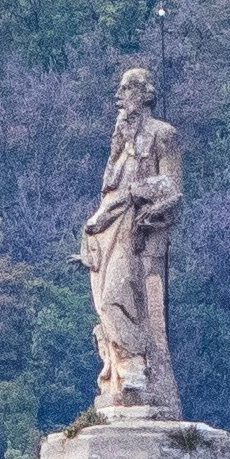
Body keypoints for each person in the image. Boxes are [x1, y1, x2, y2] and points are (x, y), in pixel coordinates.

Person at [81, 65, 183, 421]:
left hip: (135, 230)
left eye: (125, 90)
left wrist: (135, 194)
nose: (119, 97)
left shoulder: (162, 134)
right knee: (103, 304)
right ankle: (121, 373)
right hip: (106, 230)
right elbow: (108, 191)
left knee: (115, 296)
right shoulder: (119, 139)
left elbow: (172, 187)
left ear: (143, 94)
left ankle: (136, 367)